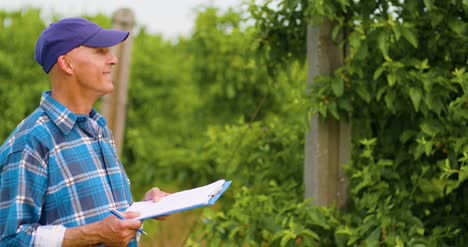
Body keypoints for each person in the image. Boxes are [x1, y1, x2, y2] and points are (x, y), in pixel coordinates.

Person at [0, 17, 168, 246]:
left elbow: (103, 220)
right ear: (67, 64)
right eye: (100, 51)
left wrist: (145, 208)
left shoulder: (99, 130)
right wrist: (95, 234)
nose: (113, 59)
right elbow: (10, 239)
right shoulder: (30, 141)